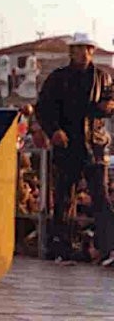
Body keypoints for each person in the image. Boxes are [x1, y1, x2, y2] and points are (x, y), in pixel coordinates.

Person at [34, 33, 114, 264]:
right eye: (79, 49)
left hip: (95, 146)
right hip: (68, 145)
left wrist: (108, 107)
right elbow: (44, 109)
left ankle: (107, 249)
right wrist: (54, 131)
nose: (84, 53)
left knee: (100, 198)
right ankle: (62, 249)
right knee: (63, 198)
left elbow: (109, 104)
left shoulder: (102, 78)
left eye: (88, 49)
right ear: (71, 52)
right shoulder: (58, 78)